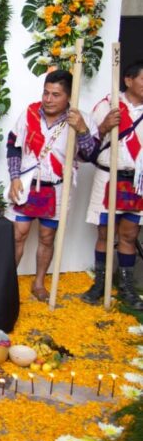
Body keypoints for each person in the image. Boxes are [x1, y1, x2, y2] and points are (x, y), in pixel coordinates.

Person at [6, 68, 98, 301]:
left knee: (47, 236)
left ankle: (38, 284)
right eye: (46, 93)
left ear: (68, 96)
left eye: (56, 94)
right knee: (18, 234)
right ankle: (7, 283)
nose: (48, 99)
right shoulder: (29, 114)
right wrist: (15, 177)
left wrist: (83, 130)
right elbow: (13, 145)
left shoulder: (80, 119)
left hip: (57, 187)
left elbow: (90, 156)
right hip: (26, 184)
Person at [82, 58, 143, 309]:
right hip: (109, 176)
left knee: (129, 234)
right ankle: (101, 282)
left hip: (137, 180)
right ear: (128, 80)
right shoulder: (108, 105)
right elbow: (88, 143)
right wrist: (106, 125)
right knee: (105, 233)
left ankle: (126, 286)